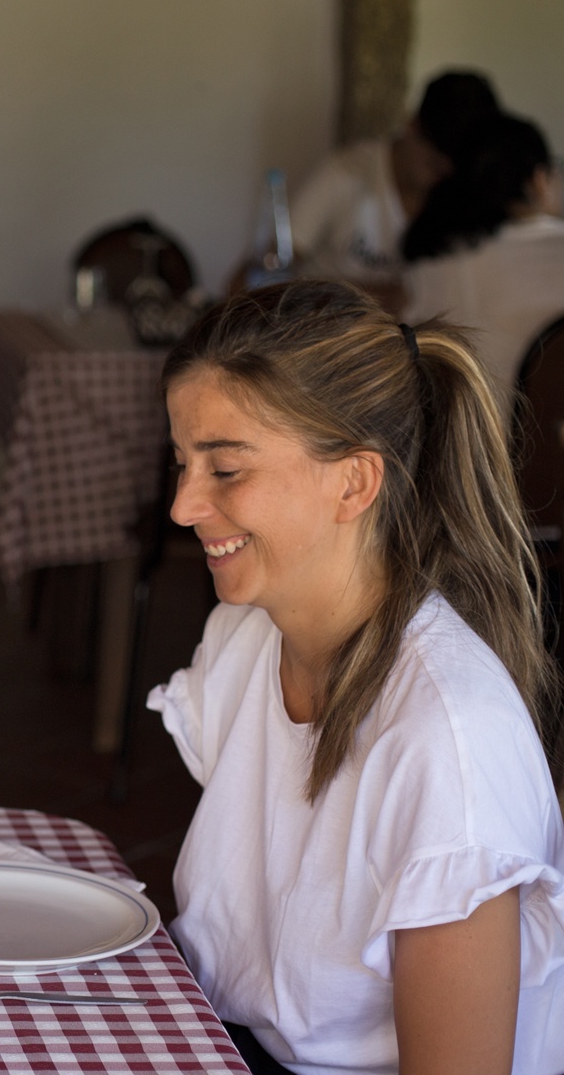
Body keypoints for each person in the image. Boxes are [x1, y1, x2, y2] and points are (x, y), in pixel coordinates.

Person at [149, 280, 564, 1075]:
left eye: (226, 469)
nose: (182, 505)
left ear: (355, 482)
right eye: (182, 463)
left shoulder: (447, 740)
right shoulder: (242, 636)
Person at [290, 70, 501, 284]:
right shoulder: (345, 173)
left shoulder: (467, 191)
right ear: (412, 125)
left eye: (455, 165)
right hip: (333, 314)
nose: (444, 172)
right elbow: (274, 268)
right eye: (433, 161)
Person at [404, 114, 564, 391]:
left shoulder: (434, 257)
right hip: (545, 429)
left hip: (460, 429)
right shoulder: (555, 247)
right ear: (539, 179)